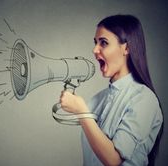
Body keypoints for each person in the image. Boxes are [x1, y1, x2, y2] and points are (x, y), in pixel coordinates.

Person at [59, 14, 163, 166]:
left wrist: (81, 111)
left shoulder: (145, 99)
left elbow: (113, 160)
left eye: (104, 43)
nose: (95, 50)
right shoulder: (96, 100)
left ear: (126, 48)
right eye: (95, 43)